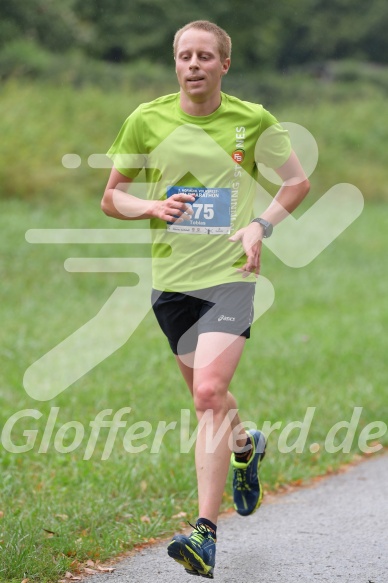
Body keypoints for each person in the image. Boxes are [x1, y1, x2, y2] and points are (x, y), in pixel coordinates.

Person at [101, 20, 310, 579]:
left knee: (209, 393)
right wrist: (149, 208)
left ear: (224, 64)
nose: (193, 65)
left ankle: (204, 534)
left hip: (231, 278)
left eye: (204, 56)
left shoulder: (252, 120)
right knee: (210, 400)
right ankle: (246, 445)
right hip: (171, 285)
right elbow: (110, 197)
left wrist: (260, 226)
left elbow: (296, 183)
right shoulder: (147, 120)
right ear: (175, 63)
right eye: (183, 56)